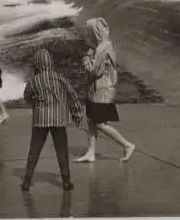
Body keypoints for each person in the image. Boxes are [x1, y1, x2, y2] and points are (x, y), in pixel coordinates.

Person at [22, 49, 85, 191]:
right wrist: (78, 114)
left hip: (40, 120)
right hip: (58, 119)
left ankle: (27, 181)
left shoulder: (34, 81)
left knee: (35, 150)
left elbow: (26, 96)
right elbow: (72, 95)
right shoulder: (59, 78)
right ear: (50, 63)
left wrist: (35, 103)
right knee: (61, 150)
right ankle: (66, 181)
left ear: (37, 65)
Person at [74, 18, 135, 163]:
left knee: (101, 123)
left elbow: (94, 71)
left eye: (89, 32)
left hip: (102, 90)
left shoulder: (102, 49)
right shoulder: (103, 46)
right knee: (91, 121)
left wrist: (86, 59)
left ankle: (127, 145)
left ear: (95, 32)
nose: (87, 35)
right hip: (97, 89)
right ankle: (91, 152)